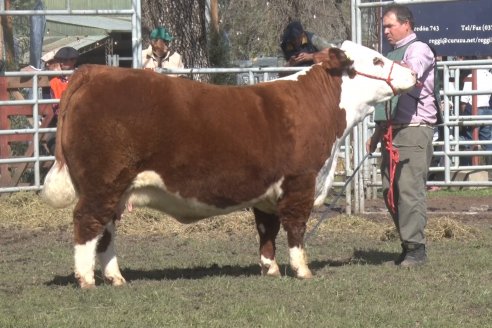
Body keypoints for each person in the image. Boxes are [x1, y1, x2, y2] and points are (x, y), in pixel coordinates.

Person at [366, 4, 440, 267]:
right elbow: (385, 97)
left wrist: (382, 68)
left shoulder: (417, 49)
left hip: (414, 129)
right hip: (391, 130)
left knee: (409, 190)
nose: (386, 31)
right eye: (384, 26)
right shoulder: (391, 53)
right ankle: (407, 244)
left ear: (406, 24)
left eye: (390, 26)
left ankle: (416, 249)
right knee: (390, 190)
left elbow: (410, 73)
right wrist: (376, 132)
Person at [47, 46, 79, 155]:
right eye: (63, 60)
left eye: (70, 60)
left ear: (74, 61)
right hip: (61, 120)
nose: (66, 63)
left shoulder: (80, 77)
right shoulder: (53, 80)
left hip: (76, 121)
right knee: (54, 144)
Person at [459, 61, 492, 165]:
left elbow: (464, 99)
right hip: (487, 110)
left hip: (475, 110)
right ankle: (489, 169)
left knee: (469, 139)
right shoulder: (490, 76)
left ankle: (468, 167)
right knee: (487, 141)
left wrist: (464, 115)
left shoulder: (471, 75)